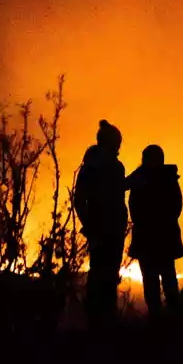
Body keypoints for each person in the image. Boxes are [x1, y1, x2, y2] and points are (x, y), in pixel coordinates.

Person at [74, 119, 128, 327]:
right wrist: (90, 225)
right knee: (100, 275)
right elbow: (81, 200)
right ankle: (99, 320)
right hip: (103, 227)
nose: (119, 146)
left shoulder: (111, 166)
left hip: (112, 227)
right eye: (117, 141)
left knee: (106, 273)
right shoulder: (94, 168)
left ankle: (104, 319)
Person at [126, 144, 183, 319]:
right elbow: (134, 206)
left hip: (161, 238)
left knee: (166, 280)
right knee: (152, 282)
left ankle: (170, 318)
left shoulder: (166, 179)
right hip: (152, 238)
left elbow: (176, 207)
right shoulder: (142, 179)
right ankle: (158, 318)